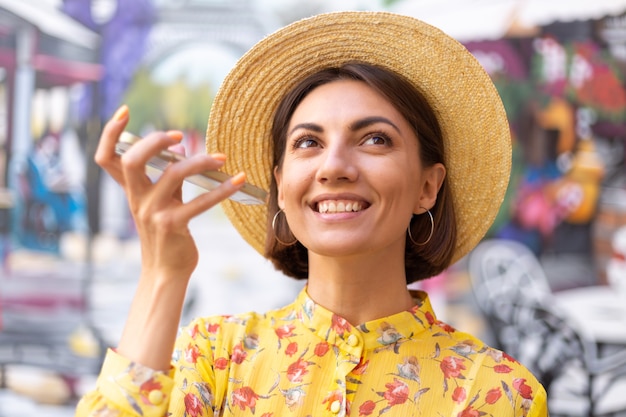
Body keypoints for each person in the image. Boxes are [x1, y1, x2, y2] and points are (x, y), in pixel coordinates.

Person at [76, 11, 548, 417]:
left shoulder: (496, 392)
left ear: (428, 187)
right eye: (308, 142)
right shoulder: (214, 357)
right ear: (281, 187)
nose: (334, 166)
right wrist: (164, 273)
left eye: (374, 139)